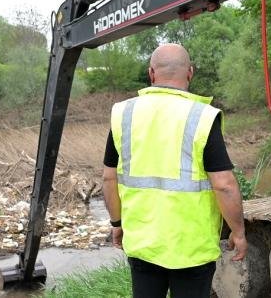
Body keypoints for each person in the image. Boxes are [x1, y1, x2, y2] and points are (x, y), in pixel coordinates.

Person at [102, 43, 247, 298]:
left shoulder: (124, 113)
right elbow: (224, 184)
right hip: (192, 247)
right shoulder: (202, 117)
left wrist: (117, 223)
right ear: (190, 72)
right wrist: (238, 231)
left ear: (151, 73)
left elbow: (109, 178)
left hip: (143, 243)